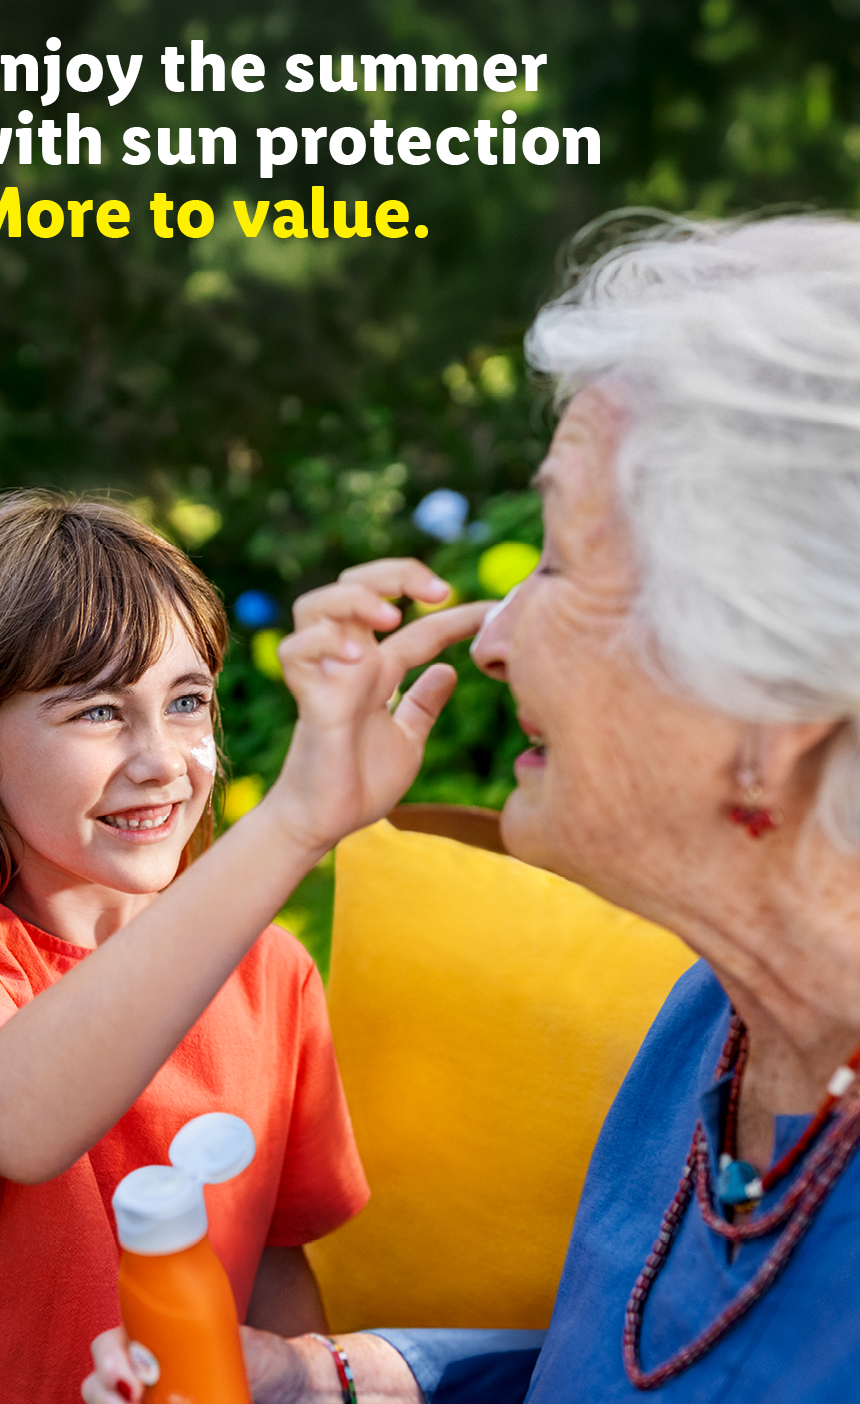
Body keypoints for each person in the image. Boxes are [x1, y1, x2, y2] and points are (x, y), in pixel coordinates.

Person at [84, 210, 860, 1403]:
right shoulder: (715, 1017)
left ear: (772, 708)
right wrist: (338, 1380)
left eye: (556, 560)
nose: (493, 640)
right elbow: (623, 1370)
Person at [0, 492, 487, 1403]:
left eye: (187, 701)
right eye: (99, 712)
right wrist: (295, 821)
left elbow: (271, 1264)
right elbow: (14, 1123)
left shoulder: (273, 977)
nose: (162, 758)